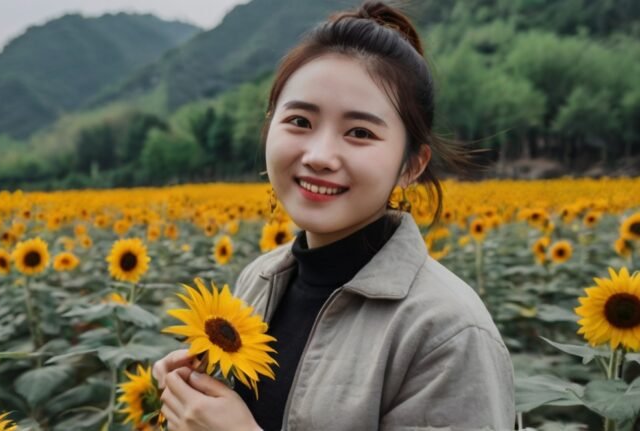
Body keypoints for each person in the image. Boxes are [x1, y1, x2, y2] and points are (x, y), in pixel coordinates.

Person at [153, 1, 516, 430]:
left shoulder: (447, 334)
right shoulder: (258, 281)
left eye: (359, 132)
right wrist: (191, 397)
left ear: (411, 166)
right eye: (300, 121)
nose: (320, 156)